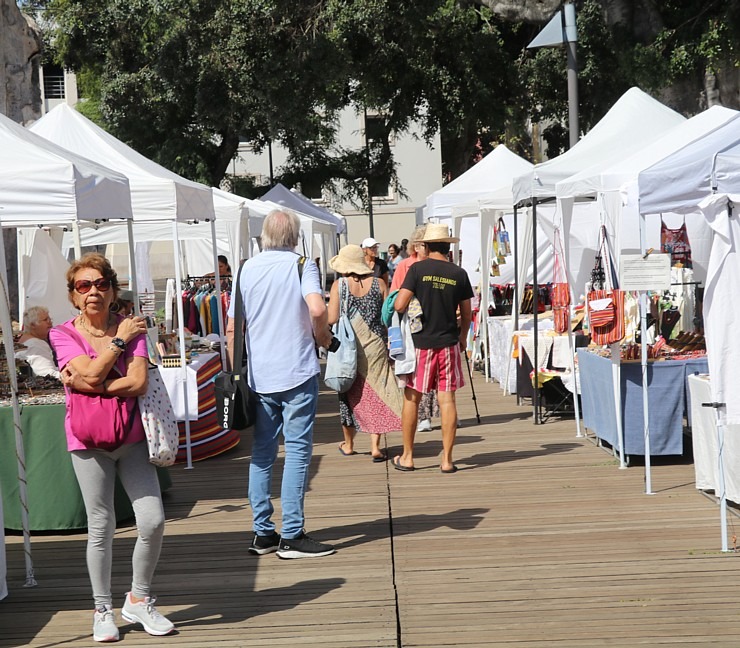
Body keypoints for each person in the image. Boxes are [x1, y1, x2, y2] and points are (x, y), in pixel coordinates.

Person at [48, 253, 174, 642]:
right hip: (87, 441)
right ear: (73, 295)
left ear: (112, 289)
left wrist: (91, 383)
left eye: (101, 284)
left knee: (152, 519)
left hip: (132, 437)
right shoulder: (62, 333)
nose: (93, 292)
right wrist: (117, 345)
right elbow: (85, 370)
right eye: (83, 286)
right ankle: (102, 609)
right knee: (100, 526)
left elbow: (134, 382)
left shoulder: (131, 326)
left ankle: (138, 599)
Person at [226, 209, 335, 559]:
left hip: (260, 375)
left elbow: (233, 328)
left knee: (262, 453)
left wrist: (234, 372)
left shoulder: (245, 269)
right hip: (297, 370)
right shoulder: (303, 265)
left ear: (264, 237)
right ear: (295, 236)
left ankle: (263, 533)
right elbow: (318, 309)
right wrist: (322, 338)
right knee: (298, 452)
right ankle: (292, 534)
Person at [393, 223, 474, 474]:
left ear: (426, 246)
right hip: (448, 342)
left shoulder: (417, 269)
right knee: (447, 399)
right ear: (447, 246)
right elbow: (468, 314)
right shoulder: (458, 273)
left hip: (421, 344)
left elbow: (399, 304)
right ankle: (447, 460)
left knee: (412, 397)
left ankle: (408, 456)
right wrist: (462, 337)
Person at [328, 244, 402, 462]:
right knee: (376, 390)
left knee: (348, 391)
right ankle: (375, 446)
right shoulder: (379, 284)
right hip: (376, 345)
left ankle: (349, 444)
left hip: (348, 347)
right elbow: (387, 316)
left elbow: (331, 319)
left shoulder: (339, 285)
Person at [390, 225, 439, 432]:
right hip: (411, 323)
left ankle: (431, 413)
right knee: (416, 371)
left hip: (434, 321)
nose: (424, 248)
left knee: (434, 371)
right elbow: (395, 295)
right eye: (421, 244)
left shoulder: (436, 264)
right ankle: (422, 416)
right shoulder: (406, 265)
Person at [15, 306, 61, 379]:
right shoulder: (35, 344)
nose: (50, 322)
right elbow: (45, 373)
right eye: (46, 320)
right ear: (33, 325)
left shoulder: (24, 341)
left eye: (50, 319)